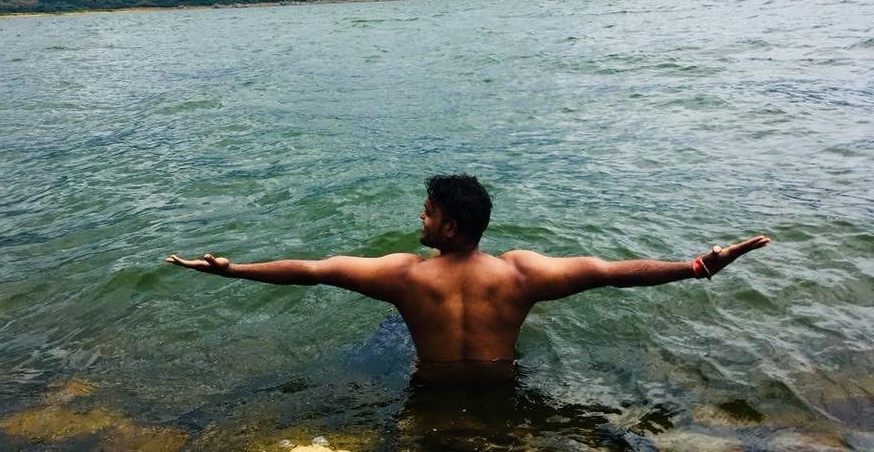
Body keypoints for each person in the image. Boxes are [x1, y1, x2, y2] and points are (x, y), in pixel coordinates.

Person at [165, 174, 770, 374]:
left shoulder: (405, 277)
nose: (420, 218)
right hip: (503, 387)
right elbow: (611, 272)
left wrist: (232, 271)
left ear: (450, 226)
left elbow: (313, 271)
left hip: (428, 390)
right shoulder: (520, 275)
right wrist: (695, 266)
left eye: (427, 212)